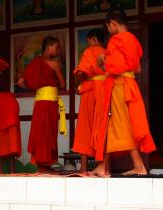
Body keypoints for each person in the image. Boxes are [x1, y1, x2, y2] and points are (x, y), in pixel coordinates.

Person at [92, 8, 156, 176]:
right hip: (129, 84)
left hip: (119, 85)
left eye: (108, 27)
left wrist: (103, 60)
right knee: (114, 123)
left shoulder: (117, 39)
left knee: (120, 124)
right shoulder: (134, 40)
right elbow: (138, 68)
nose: (108, 31)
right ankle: (103, 166)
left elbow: (115, 66)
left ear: (113, 23)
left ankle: (138, 165)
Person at [17, 36, 66, 169]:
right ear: (49, 47)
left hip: (39, 102)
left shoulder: (34, 63)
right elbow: (63, 84)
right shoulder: (54, 64)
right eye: (56, 48)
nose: (57, 51)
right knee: (49, 131)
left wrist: (37, 88)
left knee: (39, 131)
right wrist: (52, 86)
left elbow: (20, 82)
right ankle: (48, 163)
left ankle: (39, 164)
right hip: (50, 102)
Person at [72, 28, 106, 173]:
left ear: (93, 39)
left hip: (90, 92)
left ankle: (84, 168)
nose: (88, 44)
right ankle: (104, 166)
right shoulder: (108, 52)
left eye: (88, 41)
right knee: (103, 126)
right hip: (105, 90)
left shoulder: (89, 52)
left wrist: (77, 83)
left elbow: (80, 73)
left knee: (85, 127)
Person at [0, 88, 22, 172]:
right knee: (12, 149)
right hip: (12, 123)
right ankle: (13, 171)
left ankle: (0, 172)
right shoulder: (11, 98)